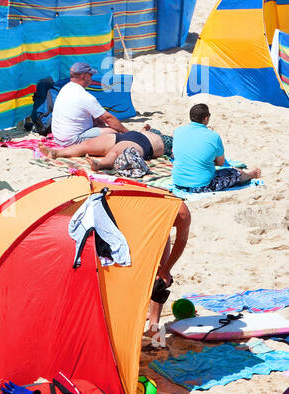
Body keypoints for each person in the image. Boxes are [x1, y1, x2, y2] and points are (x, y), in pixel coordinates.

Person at [171, 104, 259, 194]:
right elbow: (220, 163)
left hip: (178, 183)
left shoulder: (178, 131)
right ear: (206, 118)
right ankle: (251, 175)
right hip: (201, 186)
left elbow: (175, 153)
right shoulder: (214, 136)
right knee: (235, 172)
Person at [48, 62, 128, 147]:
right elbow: (108, 118)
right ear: (84, 76)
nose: (91, 78)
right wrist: (127, 132)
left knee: (98, 121)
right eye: (90, 75)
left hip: (58, 137)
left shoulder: (65, 88)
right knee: (113, 133)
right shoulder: (85, 96)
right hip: (70, 141)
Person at [147, 202, 192, 336]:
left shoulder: (183, 214)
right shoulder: (148, 211)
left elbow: (181, 241)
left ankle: (153, 327)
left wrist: (166, 270)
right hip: (140, 226)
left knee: (160, 280)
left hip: (160, 223)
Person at [51, 125, 170, 171]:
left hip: (139, 143)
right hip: (128, 137)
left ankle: (100, 164)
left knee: (114, 153)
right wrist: (144, 129)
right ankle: (57, 153)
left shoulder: (164, 141)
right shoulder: (159, 137)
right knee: (87, 145)